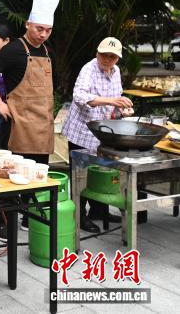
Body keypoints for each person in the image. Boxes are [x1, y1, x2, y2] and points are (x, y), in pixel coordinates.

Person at [0, 0, 61, 241]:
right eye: (39, 29)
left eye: (48, 30)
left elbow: (55, 84)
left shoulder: (48, 52)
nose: (43, 34)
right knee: (10, 175)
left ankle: (29, 216)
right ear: (28, 24)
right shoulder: (14, 50)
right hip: (17, 123)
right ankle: (3, 222)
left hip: (41, 124)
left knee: (37, 174)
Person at [62, 37, 133, 233]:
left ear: (118, 58)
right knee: (81, 175)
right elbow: (79, 97)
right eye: (104, 55)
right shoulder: (89, 69)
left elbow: (115, 101)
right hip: (82, 131)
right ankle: (80, 216)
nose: (108, 60)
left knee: (101, 170)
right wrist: (111, 101)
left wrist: (122, 110)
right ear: (97, 53)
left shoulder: (116, 71)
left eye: (112, 57)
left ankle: (99, 211)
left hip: (102, 131)